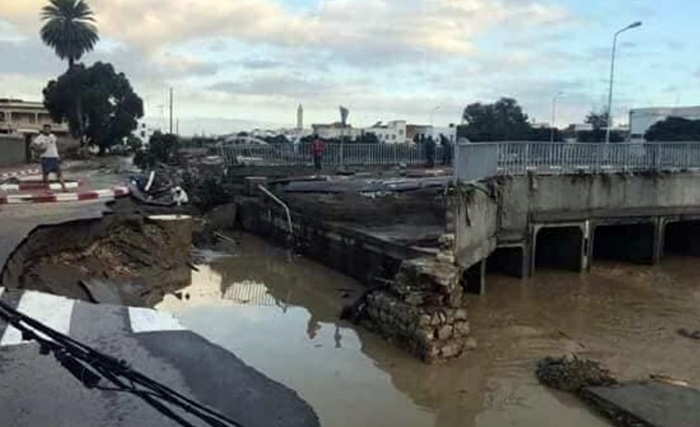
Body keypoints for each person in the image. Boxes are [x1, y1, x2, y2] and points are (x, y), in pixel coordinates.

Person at [31, 124, 67, 192]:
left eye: (48, 129)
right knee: (46, 174)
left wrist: (58, 155)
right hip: (46, 157)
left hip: (54, 157)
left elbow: (56, 146)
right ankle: (47, 189)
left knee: (59, 173)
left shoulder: (53, 136)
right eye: (45, 129)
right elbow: (32, 146)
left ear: (50, 129)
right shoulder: (40, 137)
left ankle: (63, 187)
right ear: (43, 129)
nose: (47, 130)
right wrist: (39, 149)